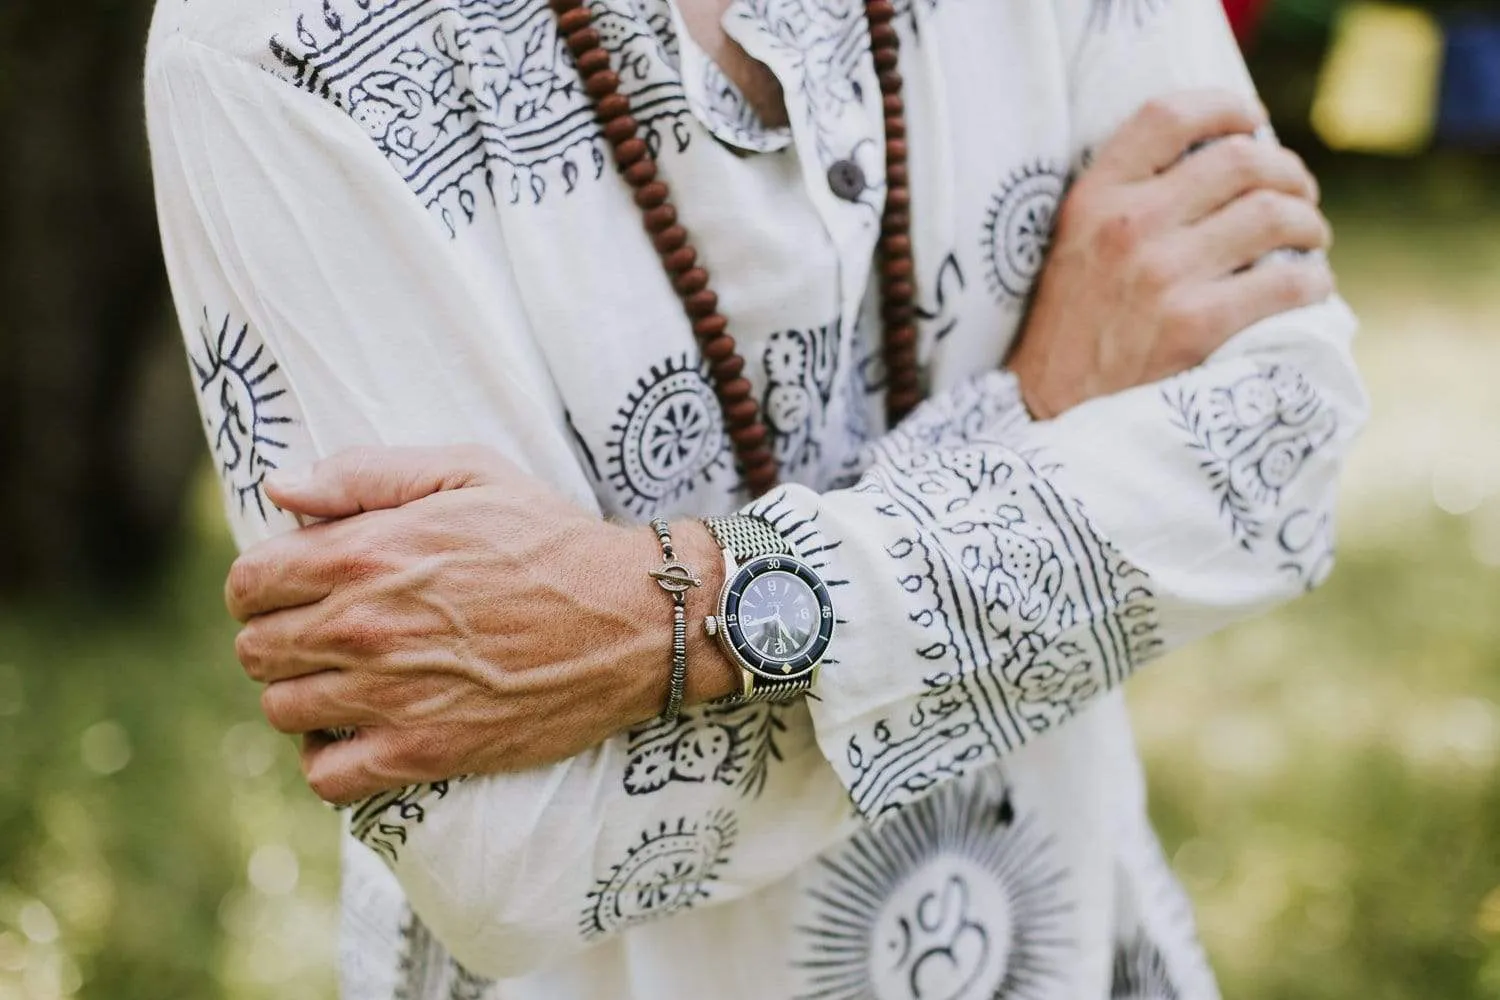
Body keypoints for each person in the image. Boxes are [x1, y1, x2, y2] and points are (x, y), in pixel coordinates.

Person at [145, 0, 1367, 996]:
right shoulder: (276, 45)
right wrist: (1029, 425)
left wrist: (658, 614)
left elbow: (1274, 450)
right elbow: (506, 860)